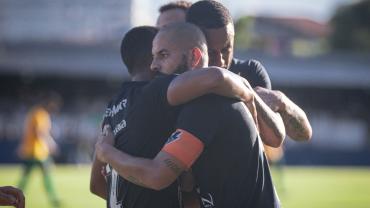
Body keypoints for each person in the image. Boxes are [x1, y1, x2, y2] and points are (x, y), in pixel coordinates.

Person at [96, 22, 280, 208]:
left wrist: (108, 153)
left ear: (194, 56)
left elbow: (157, 176)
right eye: (153, 56)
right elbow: (188, 186)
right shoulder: (187, 105)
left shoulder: (208, 102)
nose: (153, 65)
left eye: (163, 55)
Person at [185, 0, 312, 142]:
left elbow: (297, 136)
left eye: (226, 49)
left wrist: (281, 101)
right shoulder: (176, 76)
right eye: (210, 52)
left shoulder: (249, 72)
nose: (220, 60)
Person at [17, 92, 61, 207]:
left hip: (32, 151)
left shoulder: (34, 112)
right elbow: (40, 133)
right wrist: (51, 144)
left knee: (27, 176)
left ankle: (15, 195)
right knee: (46, 176)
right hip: (37, 152)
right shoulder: (40, 114)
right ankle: (53, 199)